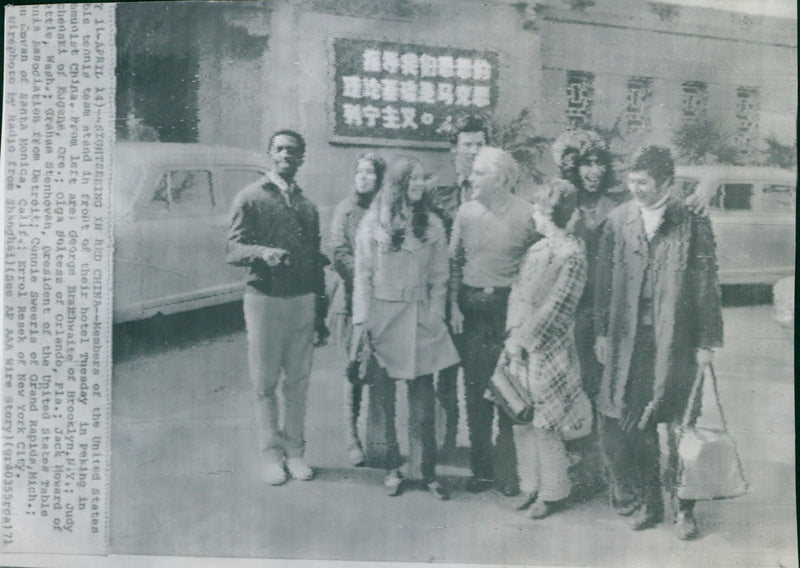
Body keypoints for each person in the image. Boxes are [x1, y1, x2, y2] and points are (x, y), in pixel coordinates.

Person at [594, 146, 723, 539]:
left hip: (678, 341)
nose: (636, 189)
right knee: (637, 424)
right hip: (629, 341)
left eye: (644, 183)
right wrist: (602, 332)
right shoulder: (618, 221)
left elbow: (705, 285)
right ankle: (650, 500)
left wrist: (706, 341)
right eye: (631, 182)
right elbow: (603, 282)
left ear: (666, 183)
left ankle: (685, 508)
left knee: (682, 426)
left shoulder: (691, 221)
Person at [353, 157, 460, 499]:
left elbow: (441, 276)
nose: (418, 184)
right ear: (397, 184)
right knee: (382, 400)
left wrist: (435, 314)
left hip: (421, 316)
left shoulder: (432, 224)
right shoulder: (373, 223)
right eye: (411, 179)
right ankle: (391, 469)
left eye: (421, 178)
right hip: (382, 314)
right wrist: (362, 321)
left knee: (423, 400)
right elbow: (363, 275)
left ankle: (424, 471)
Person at [227, 129, 329, 486]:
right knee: (264, 382)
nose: (286, 155)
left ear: (301, 158)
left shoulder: (307, 206)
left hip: (302, 301)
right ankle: (271, 456)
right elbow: (232, 249)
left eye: (293, 151)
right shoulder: (250, 197)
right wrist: (262, 252)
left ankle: (297, 453)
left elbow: (317, 262)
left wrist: (322, 313)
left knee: (298, 383)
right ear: (270, 153)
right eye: (280, 149)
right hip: (263, 300)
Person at [493, 178, 593, 519]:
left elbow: (558, 309)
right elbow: (517, 294)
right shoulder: (538, 249)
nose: (533, 214)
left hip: (549, 350)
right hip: (518, 346)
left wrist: (522, 341)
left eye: (537, 209)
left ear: (551, 214)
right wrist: (512, 338)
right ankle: (529, 484)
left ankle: (552, 492)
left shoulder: (573, 255)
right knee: (520, 416)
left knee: (546, 424)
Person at [449, 147, 540, 495]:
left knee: (509, 392)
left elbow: (537, 266)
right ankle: (482, 470)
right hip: (471, 310)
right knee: (475, 393)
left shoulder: (527, 215)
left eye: (479, 173)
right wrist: (455, 307)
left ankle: (507, 473)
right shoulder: (465, 213)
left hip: (509, 311)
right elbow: (454, 263)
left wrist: (523, 318)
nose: (471, 178)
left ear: (501, 178)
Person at [425, 116, 489, 455]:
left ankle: (479, 445)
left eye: (480, 144)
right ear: (454, 148)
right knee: (444, 372)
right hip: (445, 292)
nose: (474, 151)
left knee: (479, 374)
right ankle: (443, 441)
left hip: (479, 293)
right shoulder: (437, 191)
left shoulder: (492, 190)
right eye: (468, 144)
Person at [328, 152, 387, 466]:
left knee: (379, 370)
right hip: (353, 298)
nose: (364, 177)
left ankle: (377, 438)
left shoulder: (387, 209)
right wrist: (365, 280)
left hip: (384, 300)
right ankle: (352, 438)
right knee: (353, 369)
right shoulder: (346, 210)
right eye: (360, 171)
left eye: (370, 172)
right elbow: (338, 252)